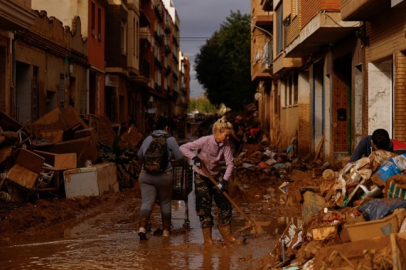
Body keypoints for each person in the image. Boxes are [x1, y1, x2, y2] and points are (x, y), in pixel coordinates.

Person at [180, 116, 236, 245]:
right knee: (204, 206)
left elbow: (230, 164)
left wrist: (224, 181)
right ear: (217, 132)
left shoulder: (225, 145)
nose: (228, 138)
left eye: (229, 136)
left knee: (225, 204)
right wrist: (195, 158)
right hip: (201, 175)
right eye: (226, 135)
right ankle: (208, 240)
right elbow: (183, 147)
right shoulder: (205, 141)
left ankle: (227, 235)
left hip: (216, 175)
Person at [137, 117, 184, 240]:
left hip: (146, 175)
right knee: (165, 202)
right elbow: (179, 157)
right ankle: (166, 231)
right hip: (164, 177)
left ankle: (142, 228)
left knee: (147, 202)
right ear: (167, 128)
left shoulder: (148, 138)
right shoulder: (170, 139)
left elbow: (140, 155)